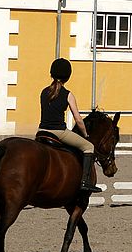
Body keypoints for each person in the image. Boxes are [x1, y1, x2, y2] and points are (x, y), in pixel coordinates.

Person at [38, 58, 100, 193]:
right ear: (68, 76)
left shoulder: (43, 92)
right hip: (59, 132)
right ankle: (85, 181)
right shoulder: (68, 94)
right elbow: (78, 120)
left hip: (41, 131)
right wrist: (85, 134)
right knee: (89, 147)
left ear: (52, 73)